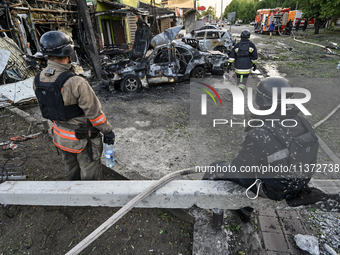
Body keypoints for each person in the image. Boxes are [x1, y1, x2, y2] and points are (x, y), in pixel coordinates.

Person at [203, 77, 324, 222]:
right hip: (299, 184)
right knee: (262, 166)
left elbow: (239, 168)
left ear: (260, 100)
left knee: (216, 167)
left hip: (275, 191)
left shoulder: (260, 132)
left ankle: (205, 205)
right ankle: (244, 210)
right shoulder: (303, 122)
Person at [33, 31, 115, 180]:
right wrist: (108, 131)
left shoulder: (38, 79)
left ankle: (75, 195)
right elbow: (95, 114)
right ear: (68, 52)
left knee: (72, 171)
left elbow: (49, 107)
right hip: (83, 140)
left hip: (59, 137)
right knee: (90, 175)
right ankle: (90, 201)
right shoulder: (76, 82)